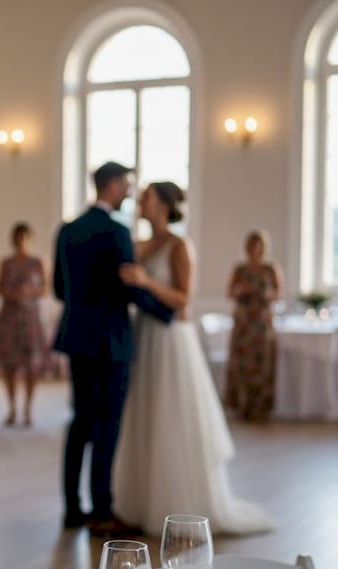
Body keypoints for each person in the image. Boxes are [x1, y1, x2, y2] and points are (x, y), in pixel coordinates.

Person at [112, 181, 270, 537]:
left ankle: (177, 508)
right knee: (143, 417)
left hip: (171, 340)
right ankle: (139, 504)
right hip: (144, 336)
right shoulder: (138, 245)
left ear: (165, 204)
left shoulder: (180, 245)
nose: (141, 202)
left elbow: (184, 299)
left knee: (171, 417)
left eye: (147, 197)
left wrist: (146, 283)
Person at [54, 162, 172, 534]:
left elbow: (59, 288)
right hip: (111, 342)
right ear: (112, 184)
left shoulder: (68, 230)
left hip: (77, 338)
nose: (128, 193)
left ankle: (73, 509)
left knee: (80, 422)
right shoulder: (117, 232)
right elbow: (129, 288)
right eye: (126, 185)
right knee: (107, 425)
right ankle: (102, 511)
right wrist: (166, 311)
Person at [0, 222, 47, 427]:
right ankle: (12, 407)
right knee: (9, 364)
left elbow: (44, 289)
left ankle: (28, 409)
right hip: (10, 316)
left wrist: (28, 293)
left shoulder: (37, 262)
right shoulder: (6, 263)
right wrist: (11, 294)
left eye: (24, 237)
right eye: (18, 238)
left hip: (29, 316)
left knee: (32, 365)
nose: (21, 242)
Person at [223, 229, 283, 422]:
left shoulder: (270, 268)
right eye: (252, 245)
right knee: (242, 365)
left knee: (262, 363)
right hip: (244, 323)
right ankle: (243, 406)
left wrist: (266, 295)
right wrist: (242, 290)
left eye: (258, 245)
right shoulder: (240, 269)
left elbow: (279, 293)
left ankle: (261, 408)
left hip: (262, 322)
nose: (255, 249)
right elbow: (230, 292)